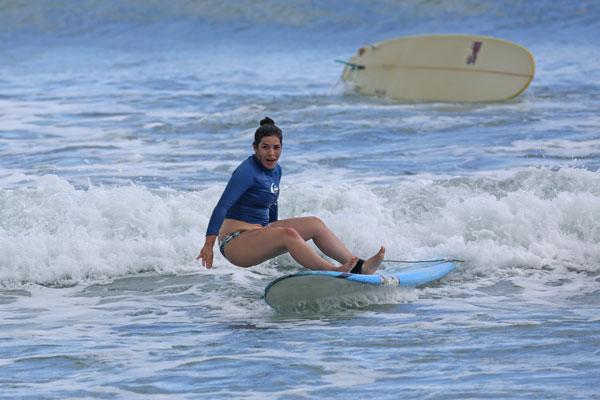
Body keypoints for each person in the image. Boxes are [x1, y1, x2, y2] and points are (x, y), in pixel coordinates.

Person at [197, 117, 385, 274]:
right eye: (265, 147)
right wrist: (208, 244)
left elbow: (272, 202)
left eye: (276, 147)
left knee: (315, 224)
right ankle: (334, 271)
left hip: (258, 232)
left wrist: (272, 231)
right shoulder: (246, 172)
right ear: (255, 148)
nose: (271, 153)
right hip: (235, 242)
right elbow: (222, 206)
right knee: (288, 234)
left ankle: (360, 267)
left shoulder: (276, 170)